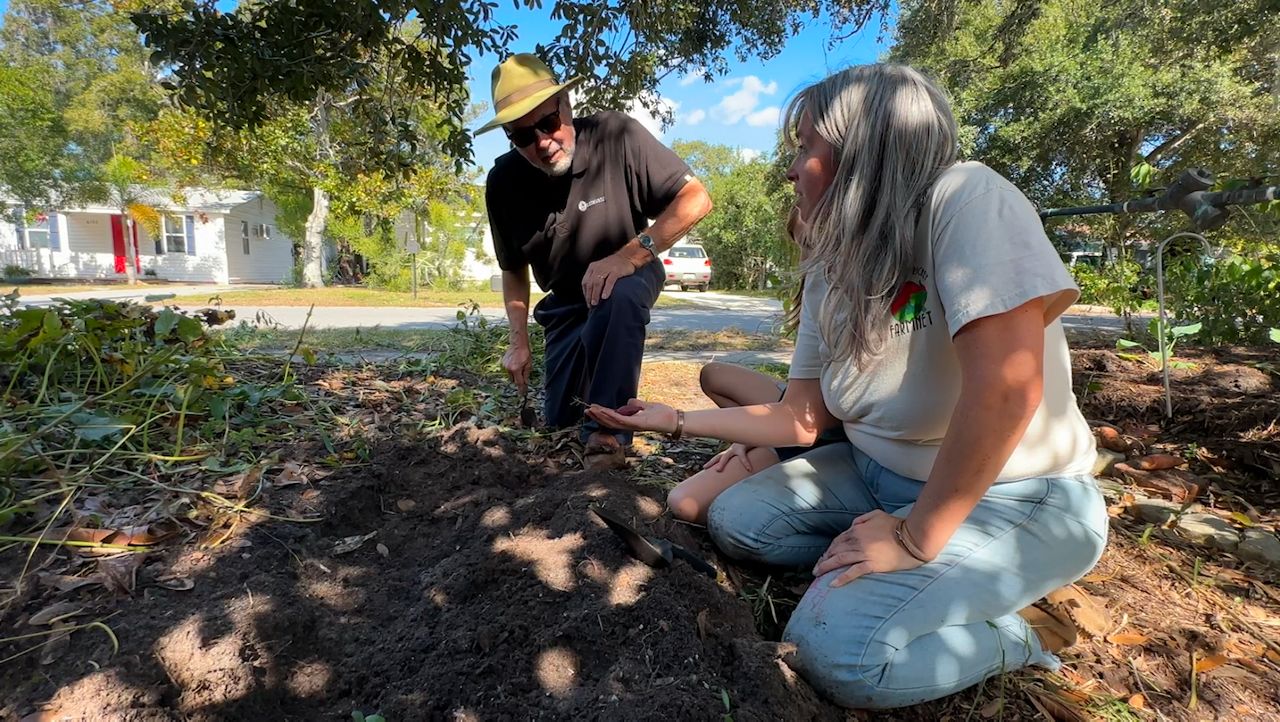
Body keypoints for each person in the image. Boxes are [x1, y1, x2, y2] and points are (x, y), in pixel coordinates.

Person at [587, 63, 1107, 709]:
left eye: (805, 147)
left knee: (837, 654)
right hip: (872, 475)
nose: (790, 169)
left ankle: (1021, 636)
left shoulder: (965, 198)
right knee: (737, 522)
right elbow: (802, 418)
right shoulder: (836, 266)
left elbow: (1005, 390)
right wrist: (672, 419)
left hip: (1012, 495)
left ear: (866, 152)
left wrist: (916, 537)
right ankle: (910, 583)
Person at [478, 53, 712, 469]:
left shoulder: (616, 135)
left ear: (566, 104)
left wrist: (627, 256)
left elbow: (696, 199)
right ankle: (584, 408)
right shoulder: (503, 183)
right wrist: (519, 342)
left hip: (630, 272)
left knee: (616, 295)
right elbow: (512, 268)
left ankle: (608, 435)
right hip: (566, 304)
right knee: (559, 419)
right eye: (522, 136)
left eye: (548, 123)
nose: (542, 142)